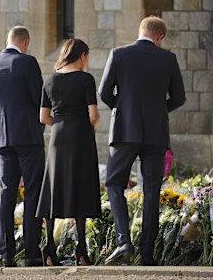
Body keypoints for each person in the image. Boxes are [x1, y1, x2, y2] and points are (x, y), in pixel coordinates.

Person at [98, 16, 186, 266]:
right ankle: (147, 253)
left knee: (114, 184)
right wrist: (158, 111)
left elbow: (104, 92)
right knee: (151, 190)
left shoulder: (119, 54)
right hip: (156, 133)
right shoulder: (168, 59)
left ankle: (123, 240)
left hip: (125, 131)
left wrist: (123, 110)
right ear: (159, 37)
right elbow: (178, 97)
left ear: (141, 31)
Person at [36, 38, 101, 266]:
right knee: (80, 186)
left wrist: (61, 122)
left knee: (55, 187)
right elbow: (93, 115)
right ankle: (81, 249)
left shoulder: (50, 80)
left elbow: (43, 117)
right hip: (81, 135)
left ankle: (49, 248)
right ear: (82, 56)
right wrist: (87, 125)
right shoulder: (85, 79)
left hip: (58, 136)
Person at [0, 26, 45, 267]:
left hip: (3, 138)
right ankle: (31, 252)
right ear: (26, 41)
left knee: (7, 195)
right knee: (32, 194)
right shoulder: (28, 63)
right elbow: (38, 99)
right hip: (28, 136)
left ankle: (6, 253)